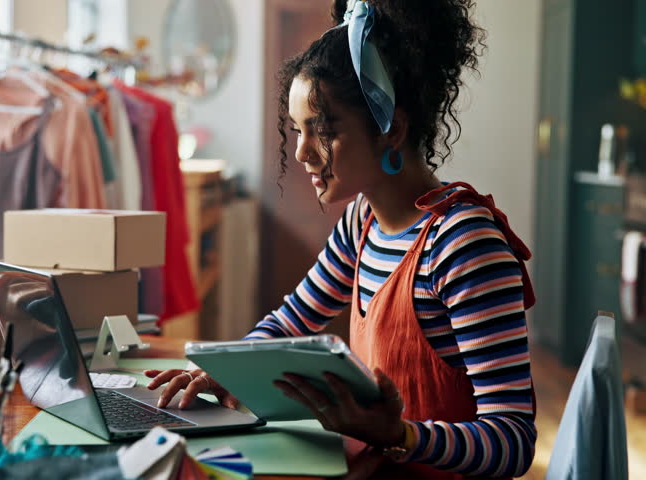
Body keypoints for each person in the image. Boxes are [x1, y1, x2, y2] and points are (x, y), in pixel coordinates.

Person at [144, 0, 536, 478]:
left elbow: (514, 441)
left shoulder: (463, 244)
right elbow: (293, 318)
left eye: (324, 131)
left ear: (392, 130)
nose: (303, 153)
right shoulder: (361, 221)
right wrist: (225, 369)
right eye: (297, 131)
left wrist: (401, 435)